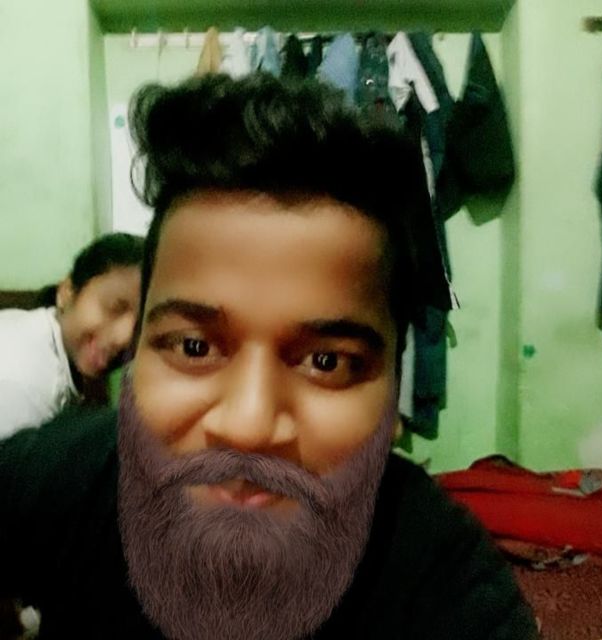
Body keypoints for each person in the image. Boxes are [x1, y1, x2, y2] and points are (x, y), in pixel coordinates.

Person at [0, 73, 538, 639]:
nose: (248, 426)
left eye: (326, 362)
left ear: (393, 395)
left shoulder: (440, 582)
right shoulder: (71, 477)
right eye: (194, 347)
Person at [0, 232, 144, 438]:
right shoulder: (23, 384)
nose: (125, 338)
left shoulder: (52, 351)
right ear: (67, 292)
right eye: (114, 308)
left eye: (141, 327)